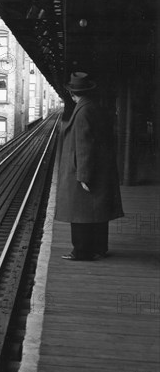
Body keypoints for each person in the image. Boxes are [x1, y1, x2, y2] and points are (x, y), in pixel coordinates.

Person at [55, 72, 124, 261]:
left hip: (83, 169)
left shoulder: (82, 111)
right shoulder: (92, 107)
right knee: (97, 212)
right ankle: (99, 248)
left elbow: (85, 146)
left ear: (71, 93)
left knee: (80, 214)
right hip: (98, 168)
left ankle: (82, 252)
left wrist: (83, 175)